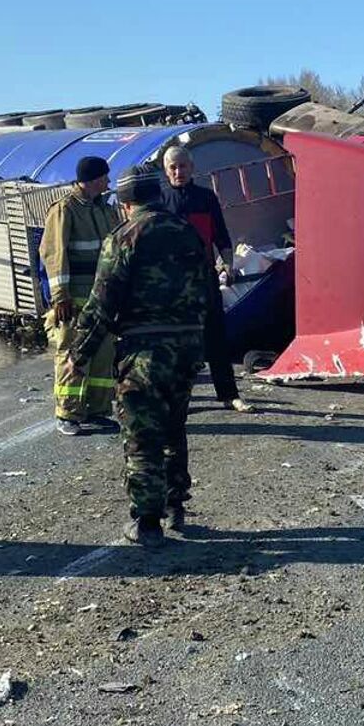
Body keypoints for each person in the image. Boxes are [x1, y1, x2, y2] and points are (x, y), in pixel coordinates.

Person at [68, 165, 213, 547]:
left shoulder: (124, 237)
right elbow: (208, 294)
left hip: (144, 351)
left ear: (125, 202)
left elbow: (101, 305)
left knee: (142, 434)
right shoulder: (187, 232)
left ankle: (147, 521)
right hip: (187, 348)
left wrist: (78, 356)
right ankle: (175, 504)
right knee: (175, 426)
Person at [160, 145, 252, 413]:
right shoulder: (160, 201)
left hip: (205, 278)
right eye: (173, 167)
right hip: (174, 284)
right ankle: (179, 399)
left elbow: (221, 236)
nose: (178, 172)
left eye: (183, 166)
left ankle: (228, 395)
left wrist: (228, 264)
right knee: (179, 342)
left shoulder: (206, 198)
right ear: (166, 171)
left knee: (216, 339)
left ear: (192, 168)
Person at [40, 155, 121, 435]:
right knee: (73, 353)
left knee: (104, 352)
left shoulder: (105, 209)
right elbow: (54, 253)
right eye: (105, 178)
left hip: (103, 297)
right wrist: (60, 295)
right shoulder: (65, 210)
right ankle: (68, 413)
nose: (108, 183)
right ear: (93, 179)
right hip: (75, 298)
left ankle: (97, 410)